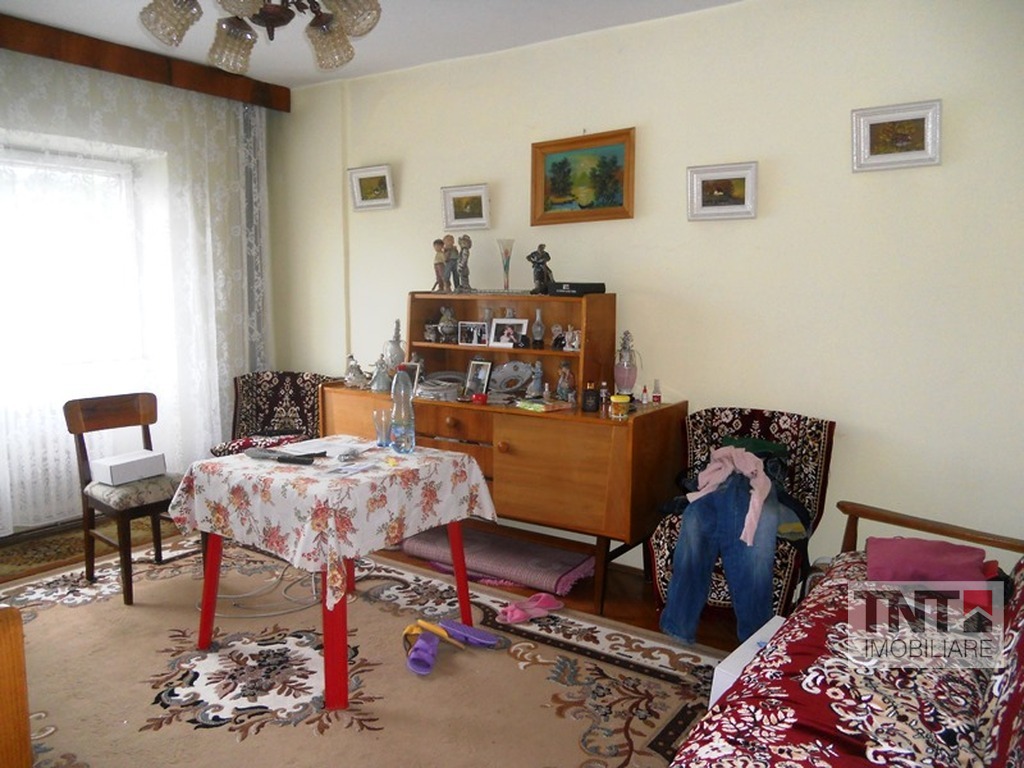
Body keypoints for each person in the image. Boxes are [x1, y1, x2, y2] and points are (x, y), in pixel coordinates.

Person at [659, 446, 788, 645]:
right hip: (720, 487)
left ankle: (678, 626)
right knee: (697, 517)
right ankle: (756, 639)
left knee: (703, 515)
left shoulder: (765, 471)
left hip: (754, 490)